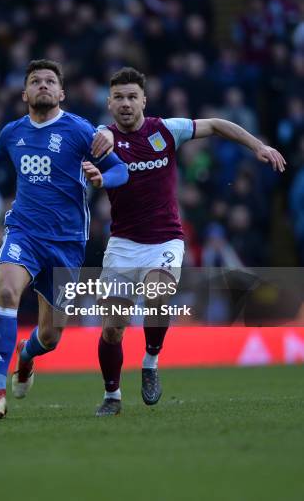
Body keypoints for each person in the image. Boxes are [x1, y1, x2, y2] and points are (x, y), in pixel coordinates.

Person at [0, 59, 128, 419]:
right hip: (24, 232)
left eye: (50, 81)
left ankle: (25, 355)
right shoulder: (12, 133)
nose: (43, 86)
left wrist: (101, 181)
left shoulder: (79, 130)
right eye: (35, 81)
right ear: (24, 93)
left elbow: (120, 169)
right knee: (7, 293)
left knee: (50, 336)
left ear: (61, 92)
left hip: (67, 243)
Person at [93, 66, 286, 416]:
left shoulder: (165, 130)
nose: (125, 103)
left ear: (144, 100)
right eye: (118, 97)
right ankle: (112, 396)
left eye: (132, 97)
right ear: (109, 103)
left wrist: (258, 145)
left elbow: (214, 124)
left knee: (157, 293)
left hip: (165, 240)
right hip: (122, 243)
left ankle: (150, 362)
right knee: (112, 330)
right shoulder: (100, 137)